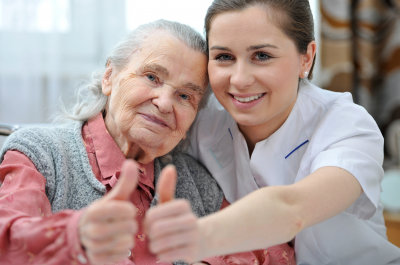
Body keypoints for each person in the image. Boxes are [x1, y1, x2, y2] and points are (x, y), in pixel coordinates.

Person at [145, 1, 400, 264]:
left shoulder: (347, 125)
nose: (240, 79)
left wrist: (194, 238)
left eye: (262, 56)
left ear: (307, 58)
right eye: (224, 57)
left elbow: (292, 209)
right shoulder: (202, 119)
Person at [0, 19, 226, 265]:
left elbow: (260, 249)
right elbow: (8, 240)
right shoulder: (39, 153)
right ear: (109, 77)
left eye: (185, 96)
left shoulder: (199, 184)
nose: (164, 103)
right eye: (152, 77)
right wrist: (76, 237)